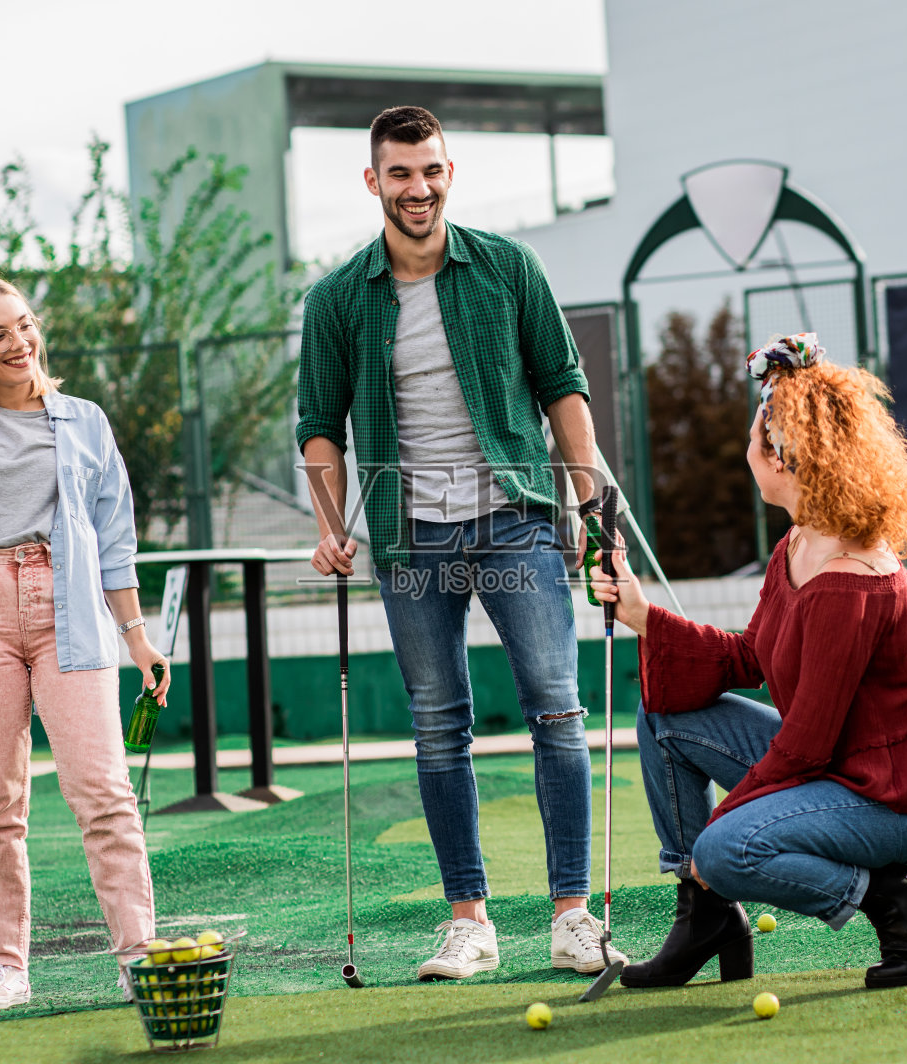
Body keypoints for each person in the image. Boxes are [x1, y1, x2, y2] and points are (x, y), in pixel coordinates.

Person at [296, 105, 626, 980]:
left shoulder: (509, 268)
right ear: (374, 182)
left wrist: (592, 511)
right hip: (410, 540)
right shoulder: (336, 299)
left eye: (431, 170)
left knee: (556, 707)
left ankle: (570, 916)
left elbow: (564, 386)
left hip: (514, 516)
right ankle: (469, 921)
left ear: (450, 173)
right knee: (439, 729)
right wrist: (334, 530)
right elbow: (318, 427)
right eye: (400, 174)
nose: (418, 188)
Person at [590, 332, 907, 991]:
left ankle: (895, 900)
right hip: (840, 767)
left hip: (895, 797)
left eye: (756, 439)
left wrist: (721, 835)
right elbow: (749, 658)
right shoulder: (799, 545)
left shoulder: (850, 582)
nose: (746, 451)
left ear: (786, 460)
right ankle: (707, 918)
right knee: (663, 719)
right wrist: (645, 616)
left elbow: (806, 746)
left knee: (727, 849)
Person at [0, 274, 170, 1010]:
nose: (19, 343)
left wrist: (139, 639)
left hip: (70, 611)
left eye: (23, 325)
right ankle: (6, 967)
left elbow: (115, 540)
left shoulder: (84, 420)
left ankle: (138, 956)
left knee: (106, 792)